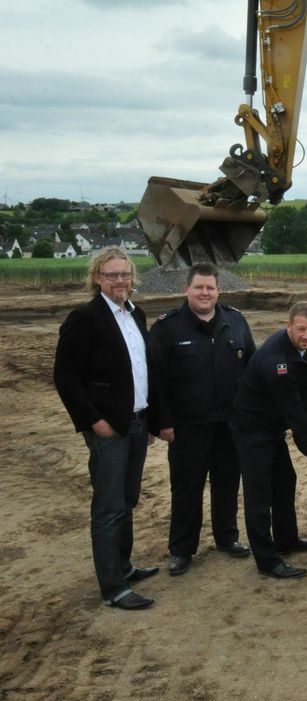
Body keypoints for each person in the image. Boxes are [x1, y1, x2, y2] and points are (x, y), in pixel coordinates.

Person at [53, 247, 159, 610]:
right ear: (97, 277)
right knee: (109, 506)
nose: (120, 281)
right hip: (109, 428)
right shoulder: (84, 317)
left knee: (127, 500)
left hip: (137, 421)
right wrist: (94, 421)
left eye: (125, 274)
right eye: (112, 275)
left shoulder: (136, 314)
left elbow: (140, 369)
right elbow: (66, 378)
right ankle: (113, 588)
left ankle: (124, 567)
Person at [147, 263, 255, 578]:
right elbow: (156, 380)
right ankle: (181, 550)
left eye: (210, 288)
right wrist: (162, 422)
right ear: (186, 290)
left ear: (218, 290)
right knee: (186, 489)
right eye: (199, 288)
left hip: (228, 425)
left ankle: (227, 538)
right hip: (186, 427)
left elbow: (250, 371)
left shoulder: (235, 321)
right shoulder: (167, 327)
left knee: (226, 484)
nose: (205, 293)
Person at [230, 301, 307, 579]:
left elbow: (306, 397)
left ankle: (287, 540)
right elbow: (294, 412)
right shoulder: (278, 362)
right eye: (301, 329)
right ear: (288, 325)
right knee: (259, 494)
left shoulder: (298, 350)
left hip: (271, 428)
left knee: (285, 481)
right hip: (251, 430)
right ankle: (267, 560)